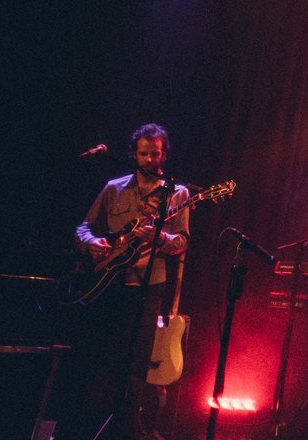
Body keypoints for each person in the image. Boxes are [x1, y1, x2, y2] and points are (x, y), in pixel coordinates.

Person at [65, 123, 190, 440]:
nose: (149, 160)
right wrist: (91, 244)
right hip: (108, 284)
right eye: (144, 154)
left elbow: (182, 242)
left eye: (155, 154)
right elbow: (83, 227)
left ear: (164, 155)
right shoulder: (114, 188)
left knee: (135, 366)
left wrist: (160, 237)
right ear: (134, 154)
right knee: (98, 358)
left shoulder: (177, 194)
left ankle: (125, 430)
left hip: (148, 287)